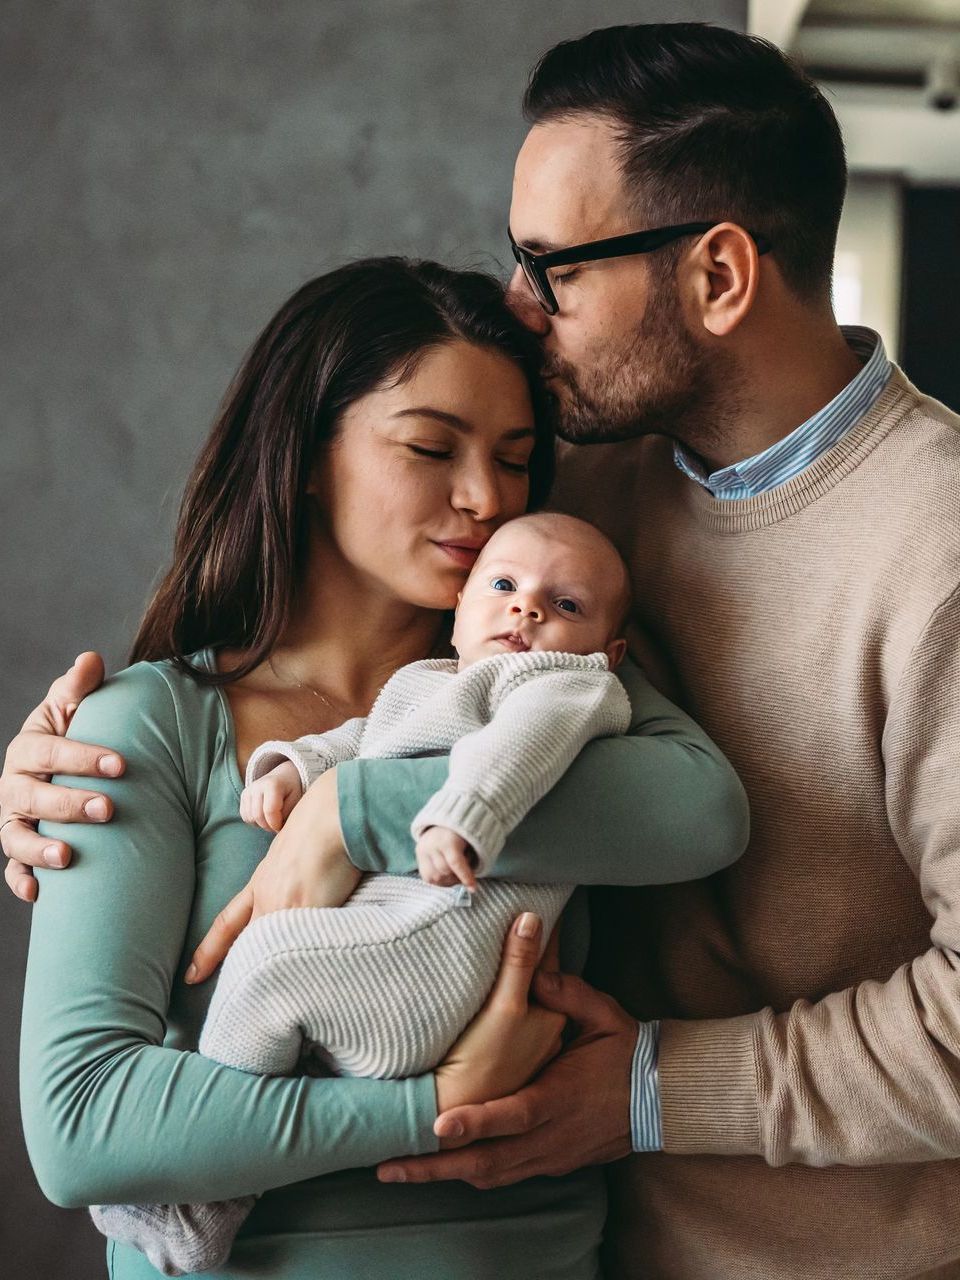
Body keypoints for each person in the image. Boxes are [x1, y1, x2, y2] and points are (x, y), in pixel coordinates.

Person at [9, 20, 960, 1278]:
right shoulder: (570, 497)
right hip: (592, 1235)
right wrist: (64, 760)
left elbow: (695, 814)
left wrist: (361, 809)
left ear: (722, 276)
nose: (519, 307)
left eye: (552, 267)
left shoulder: (935, 549)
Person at [9, 252, 748, 1280]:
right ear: (309, 455)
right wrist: (432, 1105)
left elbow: (702, 812)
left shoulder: (533, 671)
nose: (485, 496)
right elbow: (84, 1126)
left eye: (516, 456)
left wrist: (353, 810)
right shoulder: (152, 724)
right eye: (430, 446)